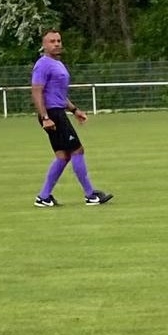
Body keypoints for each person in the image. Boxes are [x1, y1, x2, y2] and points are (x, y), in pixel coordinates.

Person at [31, 29, 112, 208]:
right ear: (44, 45)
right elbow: (36, 91)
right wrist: (45, 117)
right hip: (53, 114)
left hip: (57, 111)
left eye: (58, 40)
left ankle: (43, 197)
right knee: (77, 150)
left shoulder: (58, 64)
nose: (56, 44)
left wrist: (74, 110)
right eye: (52, 41)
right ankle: (90, 195)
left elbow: (58, 94)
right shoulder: (43, 64)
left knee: (63, 156)